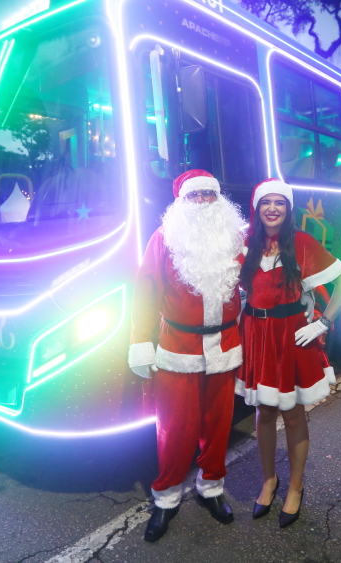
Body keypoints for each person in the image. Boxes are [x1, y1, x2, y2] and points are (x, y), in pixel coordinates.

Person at [128, 170, 245, 543]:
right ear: (181, 202)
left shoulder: (235, 238)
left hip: (224, 348)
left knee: (218, 425)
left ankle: (211, 488)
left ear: (219, 199)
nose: (202, 202)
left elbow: (260, 280)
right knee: (175, 428)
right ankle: (166, 497)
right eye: (195, 197)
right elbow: (145, 291)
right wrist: (140, 343)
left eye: (209, 195)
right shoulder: (164, 239)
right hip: (178, 348)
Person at [236, 179, 341, 529]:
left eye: (280, 203)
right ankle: (270, 480)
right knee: (263, 413)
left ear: (288, 209)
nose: (272, 209)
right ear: (257, 208)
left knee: (293, 414)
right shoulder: (245, 243)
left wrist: (322, 323)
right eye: (265, 203)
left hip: (290, 338)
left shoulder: (301, 242)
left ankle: (296, 487)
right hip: (257, 336)